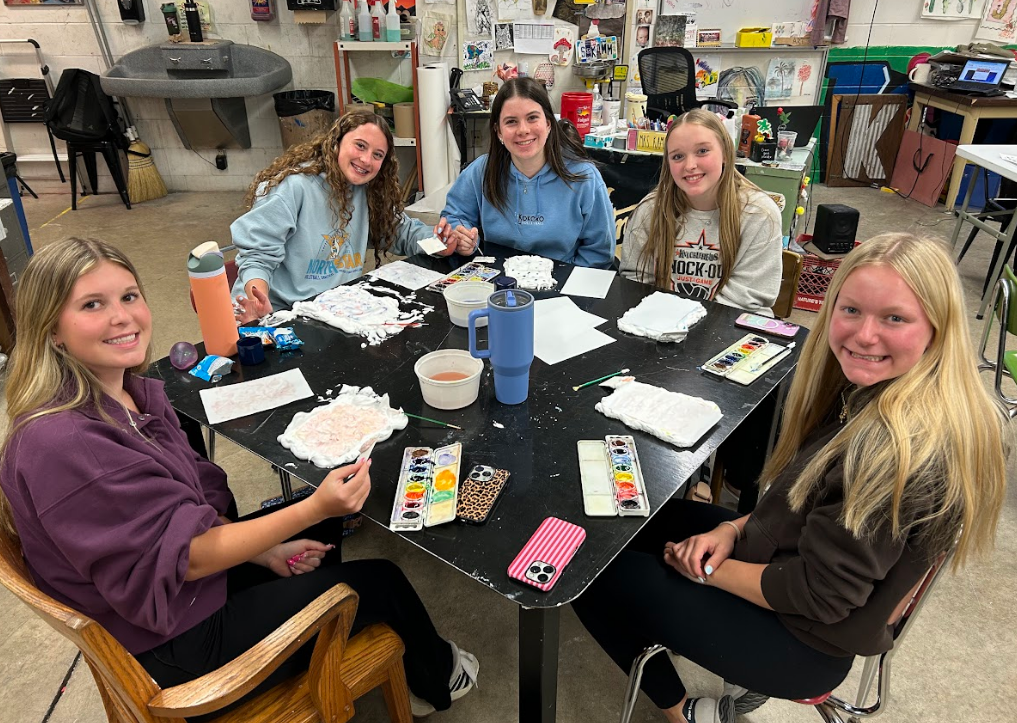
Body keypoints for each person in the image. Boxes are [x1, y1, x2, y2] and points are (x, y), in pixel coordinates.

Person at [0, 239, 479, 719]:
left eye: (128, 296)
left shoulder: (125, 394)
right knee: (381, 580)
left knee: (321, 532)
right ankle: (437, 678)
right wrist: (313, 509)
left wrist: (267, 549)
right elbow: (188, 558)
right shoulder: (64, 444)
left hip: (171, 596)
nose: (122, 316)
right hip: (177, 645)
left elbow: (183, 519)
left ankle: (328, 615)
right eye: (91, 305)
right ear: (52, 330)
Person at [573, 233, 1009, 723]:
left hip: (803, 641)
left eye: (895, 317)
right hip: (789, 564)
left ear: (938, 326)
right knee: (628, 521)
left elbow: (819, 595)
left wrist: (704, 570)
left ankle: (682, 713)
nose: (864, 336)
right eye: (851, 311)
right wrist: (730, 530)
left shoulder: (894, 450)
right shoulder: (883, 393)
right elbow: (796, 505)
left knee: (589, 576)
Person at [231, 112, 456, 324]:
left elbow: (401, 232)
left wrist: (440, 242)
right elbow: (258, 256)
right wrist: (257, 302)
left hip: (336, 312)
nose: (366, 160)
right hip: (285, 313)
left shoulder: (370, 192)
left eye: (378, 155)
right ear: (336, 142)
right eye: (360, 146)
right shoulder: (294, 186)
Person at [620, 108, 782, 315]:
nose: (690, 165)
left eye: (702, 151)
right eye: (677, 156)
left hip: (730, 327)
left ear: (725, 151)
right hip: (662, 327)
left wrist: (685, 330)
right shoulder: (650, 210)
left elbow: (744, 300)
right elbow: (635, 285)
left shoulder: (759, 214)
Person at [440, 78, 616, 268]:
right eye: (511, 122)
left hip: (562, 284)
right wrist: (463, 236)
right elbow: (454, 216)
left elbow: (599, 252)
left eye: (532, 118)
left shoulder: (584, 178)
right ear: (498, 131)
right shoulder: (481, 171)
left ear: (548, 123)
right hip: (498, 280)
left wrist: (567, 283)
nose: (523, 130)